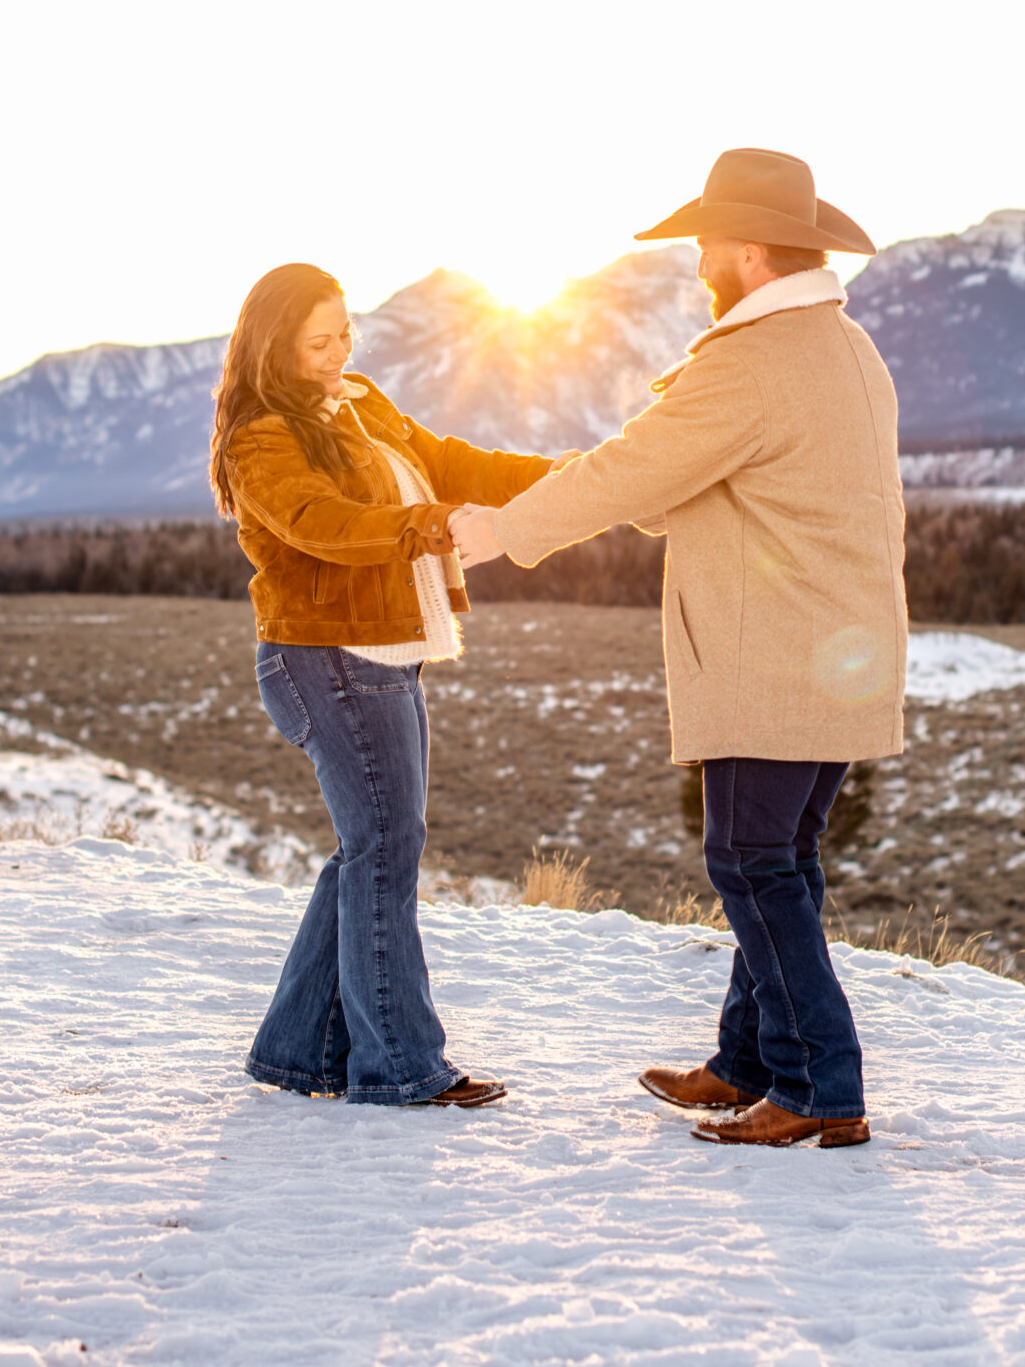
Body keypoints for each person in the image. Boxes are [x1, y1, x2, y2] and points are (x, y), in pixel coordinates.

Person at [451, 148, 905, 1149]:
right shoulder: (844, 347)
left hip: (770, 656)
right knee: (778, 859)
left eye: (706, 240)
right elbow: (685, 482)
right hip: (833, 651)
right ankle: (750, 1064)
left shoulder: (752, 362)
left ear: (746, 251)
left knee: (750, 861)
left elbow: (633, 470)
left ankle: (820, 1089)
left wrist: (497, 530)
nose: (696, 256)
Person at [213, 262, 559, 1108]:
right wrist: (429, 525)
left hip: (385, 648)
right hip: (325, 654)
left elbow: (446, 460)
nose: (339, 352)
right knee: (384, 845)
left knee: (371, 845)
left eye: (345, 333)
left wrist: (572, 477)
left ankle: (297, 1051)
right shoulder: (261, 434)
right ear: (274, 345)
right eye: (318, 341)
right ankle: (399, 1064)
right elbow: (321, 525)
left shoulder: (361, 400)